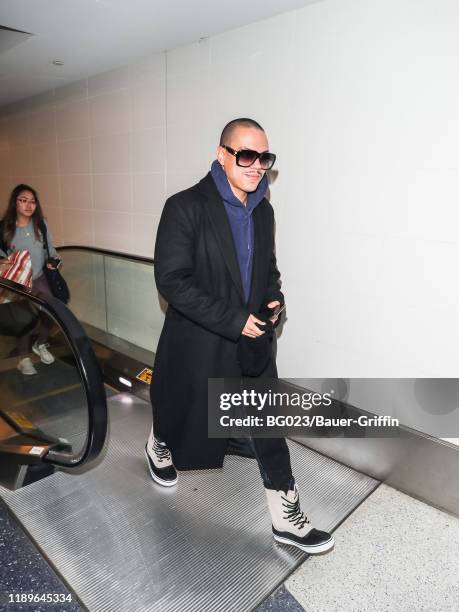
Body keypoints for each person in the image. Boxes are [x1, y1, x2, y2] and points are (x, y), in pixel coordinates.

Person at [145, 119, 334, 554]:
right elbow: (171, 280)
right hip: (200, 338)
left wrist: (274, 300)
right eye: (246, 155)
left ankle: (286, 518)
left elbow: (268, 271)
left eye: (264, 158)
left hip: (253, 340)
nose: (257, 166)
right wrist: (233, 319)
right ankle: (159, 443)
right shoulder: (184, 206)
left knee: (268, 424)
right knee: (182, 409)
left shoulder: (264, 209)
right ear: (222, 153)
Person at [0, 184, 60, 375]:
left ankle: (41, 344)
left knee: (51, 312)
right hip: (18, 282)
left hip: (40, 277)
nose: (29, 205)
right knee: (24, 319)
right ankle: (23, 358)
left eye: (33, 201)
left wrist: (54, 260)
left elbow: (51, 248)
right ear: (14, 203)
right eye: (23, 200)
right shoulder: (4, 227)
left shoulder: (41, 224)